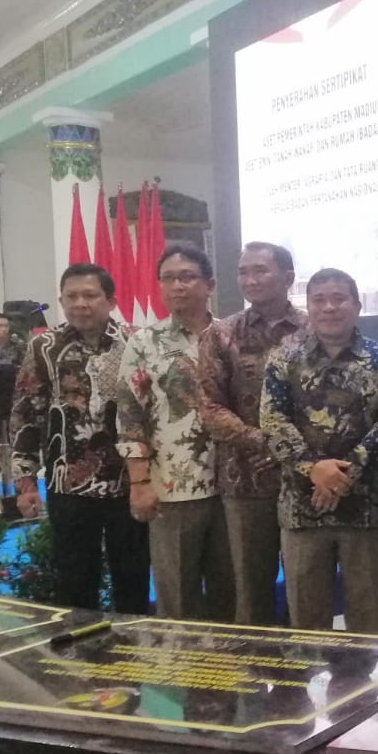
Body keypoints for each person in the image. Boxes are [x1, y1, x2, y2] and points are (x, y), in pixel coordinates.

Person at [261, 268, 378, 633]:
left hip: (367, 510)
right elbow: (273, 421)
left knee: (369, 624)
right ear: (308, 307)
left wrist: (343, 473)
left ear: (356, 305)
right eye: (319, 300)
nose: (329, 307)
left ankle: (367, 675)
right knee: (307, 625)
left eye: (339, 299)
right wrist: (314, 469)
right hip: (302, 509)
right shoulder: (284, 359)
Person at [9, 264, 150, 613]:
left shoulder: (137, 343)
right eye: (71, 296)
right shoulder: (44, 347)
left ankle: (133, 642)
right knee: (75, 582)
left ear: (111, 301)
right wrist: (26, 483)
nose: (80, 304)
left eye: (90, 295)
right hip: (67, 485)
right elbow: (26, 415)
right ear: (61, 301)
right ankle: (82, 644)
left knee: (133, 577)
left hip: (129, 483)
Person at [115, 243, 235, 622]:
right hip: (173, 489)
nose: (178, 286)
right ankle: (182, 661)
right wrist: (139, 482)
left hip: (235, 487)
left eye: (187, 277)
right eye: (168, 278)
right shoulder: (144, 342)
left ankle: (232, 660)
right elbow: (129, 414)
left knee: (232, 594)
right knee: (177, 597)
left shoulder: (232, 337)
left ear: (209, 284)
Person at [197, 242, 309, 625]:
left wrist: (289, 450)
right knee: (250, 591)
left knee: (306, 589)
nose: (250, 279)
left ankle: (307, 660)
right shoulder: (221, 334)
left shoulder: (313, 330)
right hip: (244, 480)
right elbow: (209, 408)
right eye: (243, 271)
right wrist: (266, 442)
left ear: (288, 278)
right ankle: (255, 664)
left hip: (305, 479)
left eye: (260, 270)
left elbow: (327, 404)